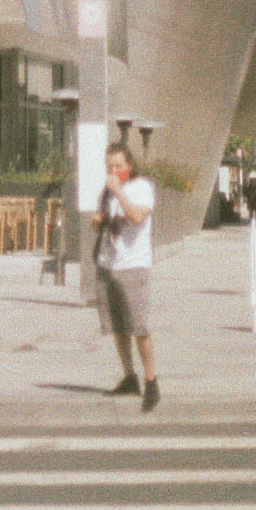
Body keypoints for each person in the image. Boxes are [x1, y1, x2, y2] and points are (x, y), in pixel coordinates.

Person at [92, 141, 159, 412]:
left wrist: (119, 191)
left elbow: (136, 218)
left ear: (129, 165)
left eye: (118, 165)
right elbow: (102, 222)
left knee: (138, 327)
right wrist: (97, 221)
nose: (114, 170)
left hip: (133, 266)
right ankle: (129, 376)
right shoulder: (106, 193)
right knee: (117, 327)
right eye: (109, 166)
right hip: (109, 264)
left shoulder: (141, 187)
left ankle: (151, 381)